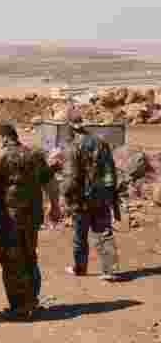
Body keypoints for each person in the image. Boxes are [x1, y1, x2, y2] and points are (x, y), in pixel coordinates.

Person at [0, 122, 63, 320]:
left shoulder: (0, 157)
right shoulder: (35, 155)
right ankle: (32, 300)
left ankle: (19, 307)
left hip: (7, 218)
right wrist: (55, 206)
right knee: (29, 255)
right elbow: (49, 181)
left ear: (5, 138)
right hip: (31, 217)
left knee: (10, 260)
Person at [58, 111, 120, 281]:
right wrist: (110, 193)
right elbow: (111, 171)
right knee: (104, 232)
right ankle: (109, 270)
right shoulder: (101, 142)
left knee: (80, 235)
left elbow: (70, 178)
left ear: (70, 126)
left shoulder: (73, 146)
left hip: (81, 199)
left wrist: (64, 196)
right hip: (102, 196)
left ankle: (80, 268)